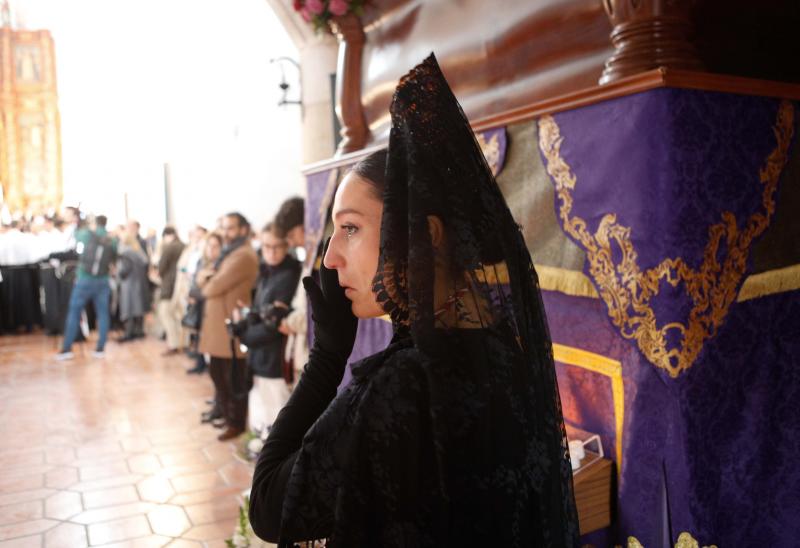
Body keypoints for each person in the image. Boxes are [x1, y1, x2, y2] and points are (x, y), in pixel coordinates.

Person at [248, 54, 579, 546]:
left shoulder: (404, 382)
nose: (332, 257)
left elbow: (271, 507)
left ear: (424, 236)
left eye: (351, 229)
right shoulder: (503, 348)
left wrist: (326, 356)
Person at [230, 223, 301, 436]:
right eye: (266, 246)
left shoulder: (291, 272)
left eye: (276, 246)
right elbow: (263, 310)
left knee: (276, 410)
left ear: (287, 245)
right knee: (260, 405)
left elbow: (276, 324)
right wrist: (246, 318)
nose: (270, 251)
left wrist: (244, 334)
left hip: (275, 354)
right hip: (259, 351)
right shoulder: (267, 269)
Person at [197, 212, 259, 441]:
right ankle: (227, 416)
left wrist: (206, 279)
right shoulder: (229, 253)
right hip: (218, 326)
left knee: (232, 377)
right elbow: (205, 277)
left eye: (231, 228)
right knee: (218, 374)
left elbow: (211, 287)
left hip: (230, 326)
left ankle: (236, 422)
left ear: (243, 229)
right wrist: (207, 278)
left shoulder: (242, 255)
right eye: (224, 228)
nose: (226, 233)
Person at [56, 214, 117, 360]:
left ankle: (67, 349)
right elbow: (113, 260)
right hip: (103, 280)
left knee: (74, 312)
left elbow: (73, 238)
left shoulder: (86, 234)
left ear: (95, 223)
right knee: (103, 314)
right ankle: (100, 348)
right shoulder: (112, 240)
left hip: (84, 279)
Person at [274, 197, 309, 383]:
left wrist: (289, 321)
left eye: (291, 236)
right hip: (301, 349)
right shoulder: (309, 258)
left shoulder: (324, 258)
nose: (292, 243)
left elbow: (316, 314)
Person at [116, 229, 150, 341]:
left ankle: (129, 333)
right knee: (138, 308)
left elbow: (124, 270)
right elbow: (145, 264)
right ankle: (139, 331)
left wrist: (117, 274)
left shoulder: (125, 253)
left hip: (128, 284)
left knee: (129, 308)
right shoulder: (138, 251)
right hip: (139, 283)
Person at [156, 226, 185, 356]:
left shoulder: (169, 247)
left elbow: (162, 266)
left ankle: (174, 344)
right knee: (177, 315)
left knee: (166, 313)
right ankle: (181, 342)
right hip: (180, 285)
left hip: (169, 284)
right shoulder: (184, 246)